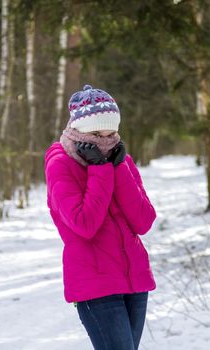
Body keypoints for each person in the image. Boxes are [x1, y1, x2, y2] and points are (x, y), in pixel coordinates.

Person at [44, 84, 157, 350]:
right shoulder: (59, 163)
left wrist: (118, 169)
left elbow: (143, 221)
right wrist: (100, 171)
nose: (106, 141)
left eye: (111, 133)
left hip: (135, 281)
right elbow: (85, 224)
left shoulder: (120, 160)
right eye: (96, 133)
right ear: (78, 130)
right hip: (95, 285)